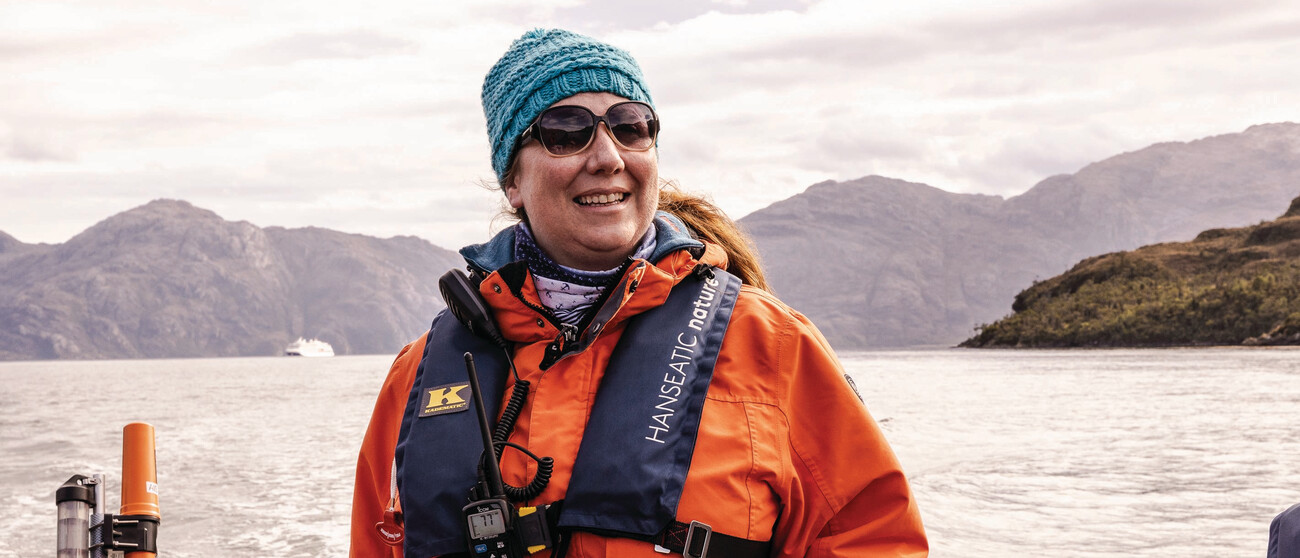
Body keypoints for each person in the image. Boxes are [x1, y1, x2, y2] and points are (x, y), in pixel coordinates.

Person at [350, 28, 927, 558]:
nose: (607, 158)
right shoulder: (418, 377)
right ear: (512, 180)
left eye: (630, 127)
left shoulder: (772, 347)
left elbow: (873, 538)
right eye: (566, 133)